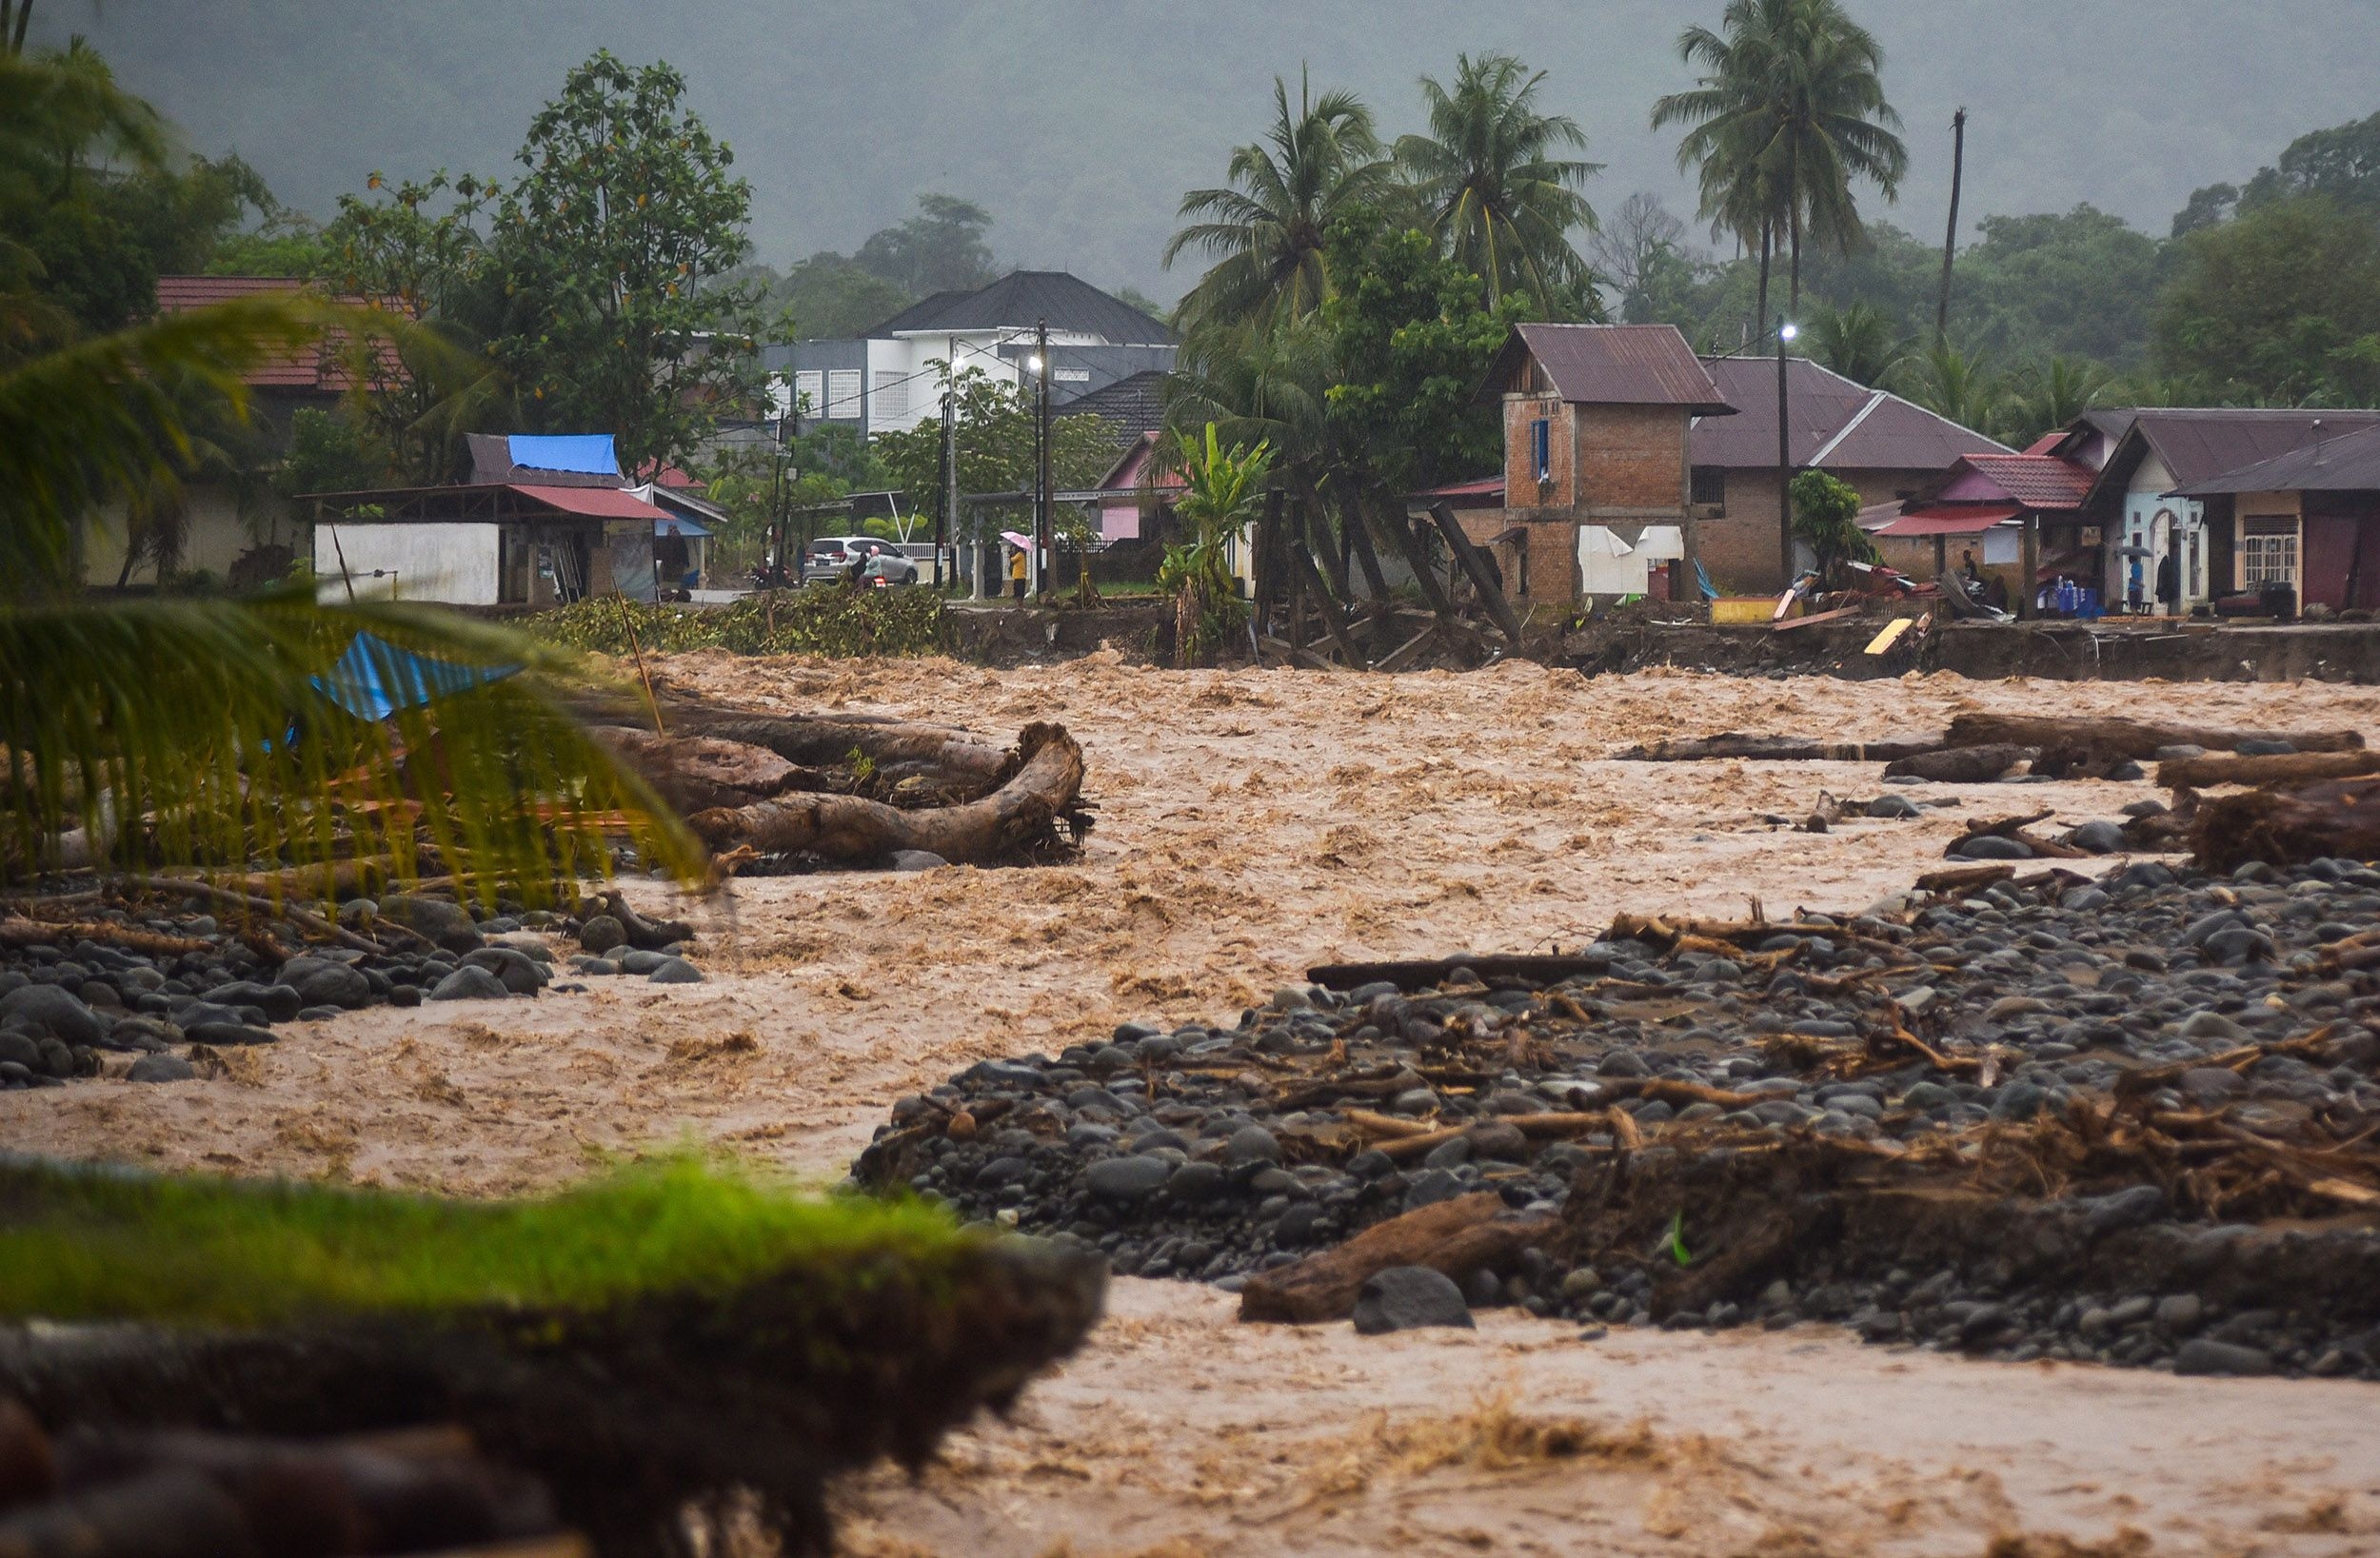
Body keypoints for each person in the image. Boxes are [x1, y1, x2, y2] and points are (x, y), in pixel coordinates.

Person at [2155, 550, 2181, 616]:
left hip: (2169, 586)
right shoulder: (2167, 563)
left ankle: (2170, 613)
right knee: (2170, 601)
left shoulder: (2168, 563)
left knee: (2170, 602)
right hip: (2169, 586)